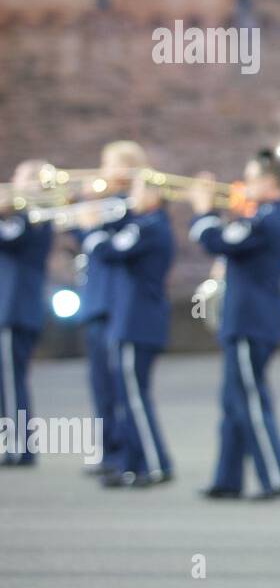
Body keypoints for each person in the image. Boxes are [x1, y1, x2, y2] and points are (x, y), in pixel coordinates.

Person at [189, 151, 280, 500]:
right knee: (233, 401)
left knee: (251, 401)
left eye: (250, 178)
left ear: (269, 182)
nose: (243, 185)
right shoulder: (259, 217)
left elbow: (216, 241)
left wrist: (205, 209)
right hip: (242, 321)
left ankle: (277, 477)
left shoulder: (268, 219)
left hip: (252, 321)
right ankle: (228, 478)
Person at [82, 170, 175, 487]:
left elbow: (109, 250)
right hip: (130, 321)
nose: (132, 198)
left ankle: (153, 464)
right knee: (128, 396)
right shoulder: (142, 226)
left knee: (135, 398)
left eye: (138, 191)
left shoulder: (149, 227)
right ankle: (134, 463)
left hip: (137, 322)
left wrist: (91, 227)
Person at [72, 141, 147, 476]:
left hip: (115, 304)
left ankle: (123, 454)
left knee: (117, 386)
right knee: (100, 385)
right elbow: (84, 237)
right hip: (96, 300)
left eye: (110, 164)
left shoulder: (131, 205)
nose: (103, 171)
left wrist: (93, 213)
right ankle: (108, 451)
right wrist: (80, 208)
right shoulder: (106, 204)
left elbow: (111, 243)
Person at [0, 160, 55, 466]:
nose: (12, 182)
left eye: (20, 177)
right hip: (11, 307)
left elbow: (9, 237)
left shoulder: (33, 216)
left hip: (15, 308)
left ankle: (18, 446)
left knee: (10, 380)